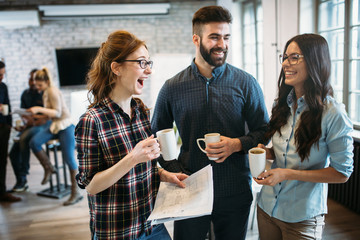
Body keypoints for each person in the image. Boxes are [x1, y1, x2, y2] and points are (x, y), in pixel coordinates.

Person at [151, 6, 269, 240]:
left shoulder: (246, 83)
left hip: (235, 189)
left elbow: (264, 130)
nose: (222, 44)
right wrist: (175, 173)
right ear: (196, 39)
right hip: (189, 190)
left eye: (226, 37)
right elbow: (155, 137)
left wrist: (237, 144)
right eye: (214, 37)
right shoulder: (172, 87)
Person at [75, 30, 188, 240]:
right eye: (141, 63)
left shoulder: (141, 111)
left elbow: (145, 167)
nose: (148, 71)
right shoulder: (92, 121)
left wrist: (163, 175)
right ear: (116, 67)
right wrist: (133, 158)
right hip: (118, 232)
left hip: (152, 224)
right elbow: (91, 186)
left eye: (149, 63)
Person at [254, 34, 354, 240]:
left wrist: (287, 174)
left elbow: (342, 173)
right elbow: (290, 152)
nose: (285, 63)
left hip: (302, 217)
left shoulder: (333, 113)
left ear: (315, 61)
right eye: (285, 57)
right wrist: (268, 152)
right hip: (267, 208)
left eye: (294, 57)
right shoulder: (281, 105)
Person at [28, 67, 83, 206]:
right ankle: (48, 168)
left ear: (46, 81)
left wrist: (38, 109)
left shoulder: (52, 90)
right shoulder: (46, 91)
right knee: (34, 142)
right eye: (37, 86)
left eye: (40, 85)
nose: (38, 88)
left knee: (68, 158)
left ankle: (76, 192)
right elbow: (51, 114)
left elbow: (58, 113)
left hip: (65, 125)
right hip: (54, 126)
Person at [9, 69, 49, 192]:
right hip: (30, 126)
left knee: (24, 139)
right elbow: (24, 113)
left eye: (35, 80)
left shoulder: (45, 93)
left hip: (43, 126)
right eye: (30, 79)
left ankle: (25, 171)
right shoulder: (25, 94)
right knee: (13, 153)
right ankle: (22, 181)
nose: (32, 82)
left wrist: (36, 120)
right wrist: (26, 123)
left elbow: (49, 115)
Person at [0, 60, 21, 202]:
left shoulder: (3, 87)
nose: (1, 77)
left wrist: (9, 126)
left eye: (2, 74)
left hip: (2, 128)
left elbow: (7, 104)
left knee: (2, 161)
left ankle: (2, 192)